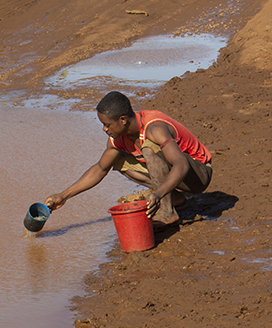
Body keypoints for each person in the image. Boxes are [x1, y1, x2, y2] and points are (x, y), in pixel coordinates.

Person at [44, 91, 213, 228]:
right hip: (176, 176)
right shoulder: (117, 139)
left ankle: (167, 213)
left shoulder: (154, 128)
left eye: (107, 124)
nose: (104, 129)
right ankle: (175, 198)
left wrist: (158, 194)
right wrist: (63, 196)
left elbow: (181, 164)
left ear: (123, 120)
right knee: (117, 160)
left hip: (198, 174)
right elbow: (100, 169)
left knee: (149, 148)